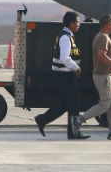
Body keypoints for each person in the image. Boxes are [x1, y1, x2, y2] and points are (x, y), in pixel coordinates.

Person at [34, 11, 89, 139]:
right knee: (74, 104)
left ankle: (43, 120)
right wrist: (76, 68)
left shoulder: (67, 36)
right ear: (71, 23)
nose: (79, 25)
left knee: (66, 104)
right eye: (77, 22)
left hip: (64, 75)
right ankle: (74, 132)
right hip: (64, 75)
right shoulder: (65, 38)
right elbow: (65, 58)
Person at [76, 14, 111, 140]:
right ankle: (79, 120)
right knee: (105, 104)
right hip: (103, 76)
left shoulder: (105, 37)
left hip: (109, 76)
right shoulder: (102, 38)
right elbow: (102, 56)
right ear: (107, 24)